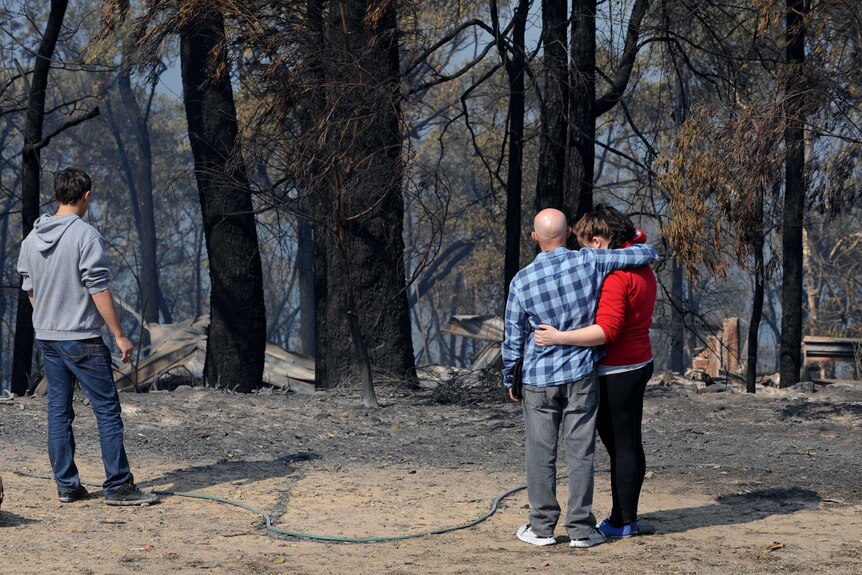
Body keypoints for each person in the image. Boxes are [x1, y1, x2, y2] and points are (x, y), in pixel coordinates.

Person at [502, 208, 658, 548]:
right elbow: (645, 253)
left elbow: (512, 337)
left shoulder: (522, 280)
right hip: (581, 374)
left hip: (539, 378)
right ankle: (581, 529)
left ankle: (541, 528)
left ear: (534, 238)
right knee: (581, 453)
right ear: (570, 232)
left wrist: (509, 377)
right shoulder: (589, 262)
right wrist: (642, 246)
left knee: (540, 453)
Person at [17, 167, 158, 506]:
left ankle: (67, 486)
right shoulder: (85, 236)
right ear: (86, 196)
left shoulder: (32, 239)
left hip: (47, 337)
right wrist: (120, 335)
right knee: (107, 409)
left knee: (58, 411)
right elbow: (98, 288)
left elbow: (30, 289)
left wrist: (45, 318)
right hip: (81, 338)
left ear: (57, 194)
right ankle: (119, 487)